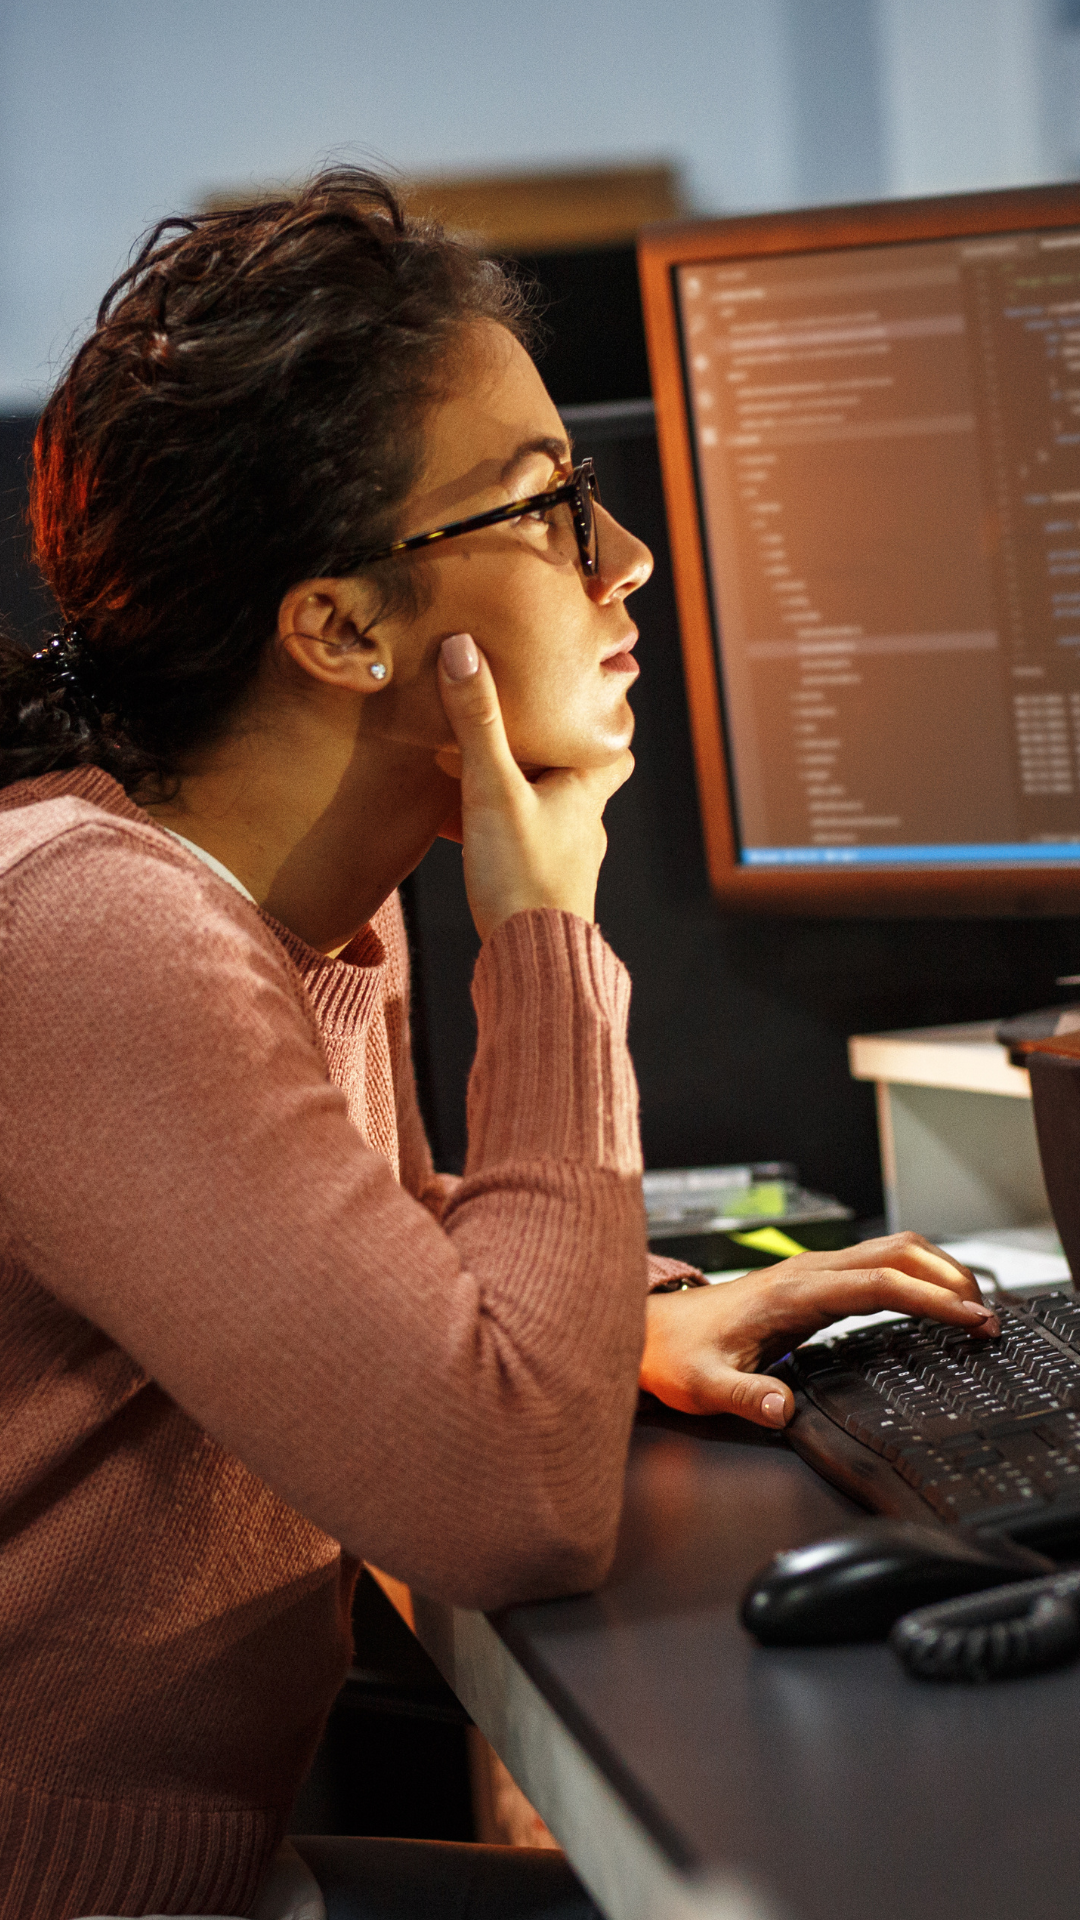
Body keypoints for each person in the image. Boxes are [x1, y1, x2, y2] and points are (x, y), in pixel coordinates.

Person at [0, 169, 1000, 1920]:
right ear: (338, 626)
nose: (626, 559)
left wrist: (620, 1315)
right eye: (549, 509)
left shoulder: (287, 901)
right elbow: (503, 1499)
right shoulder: (90, 937)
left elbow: (315, 1247)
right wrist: (546, 925)